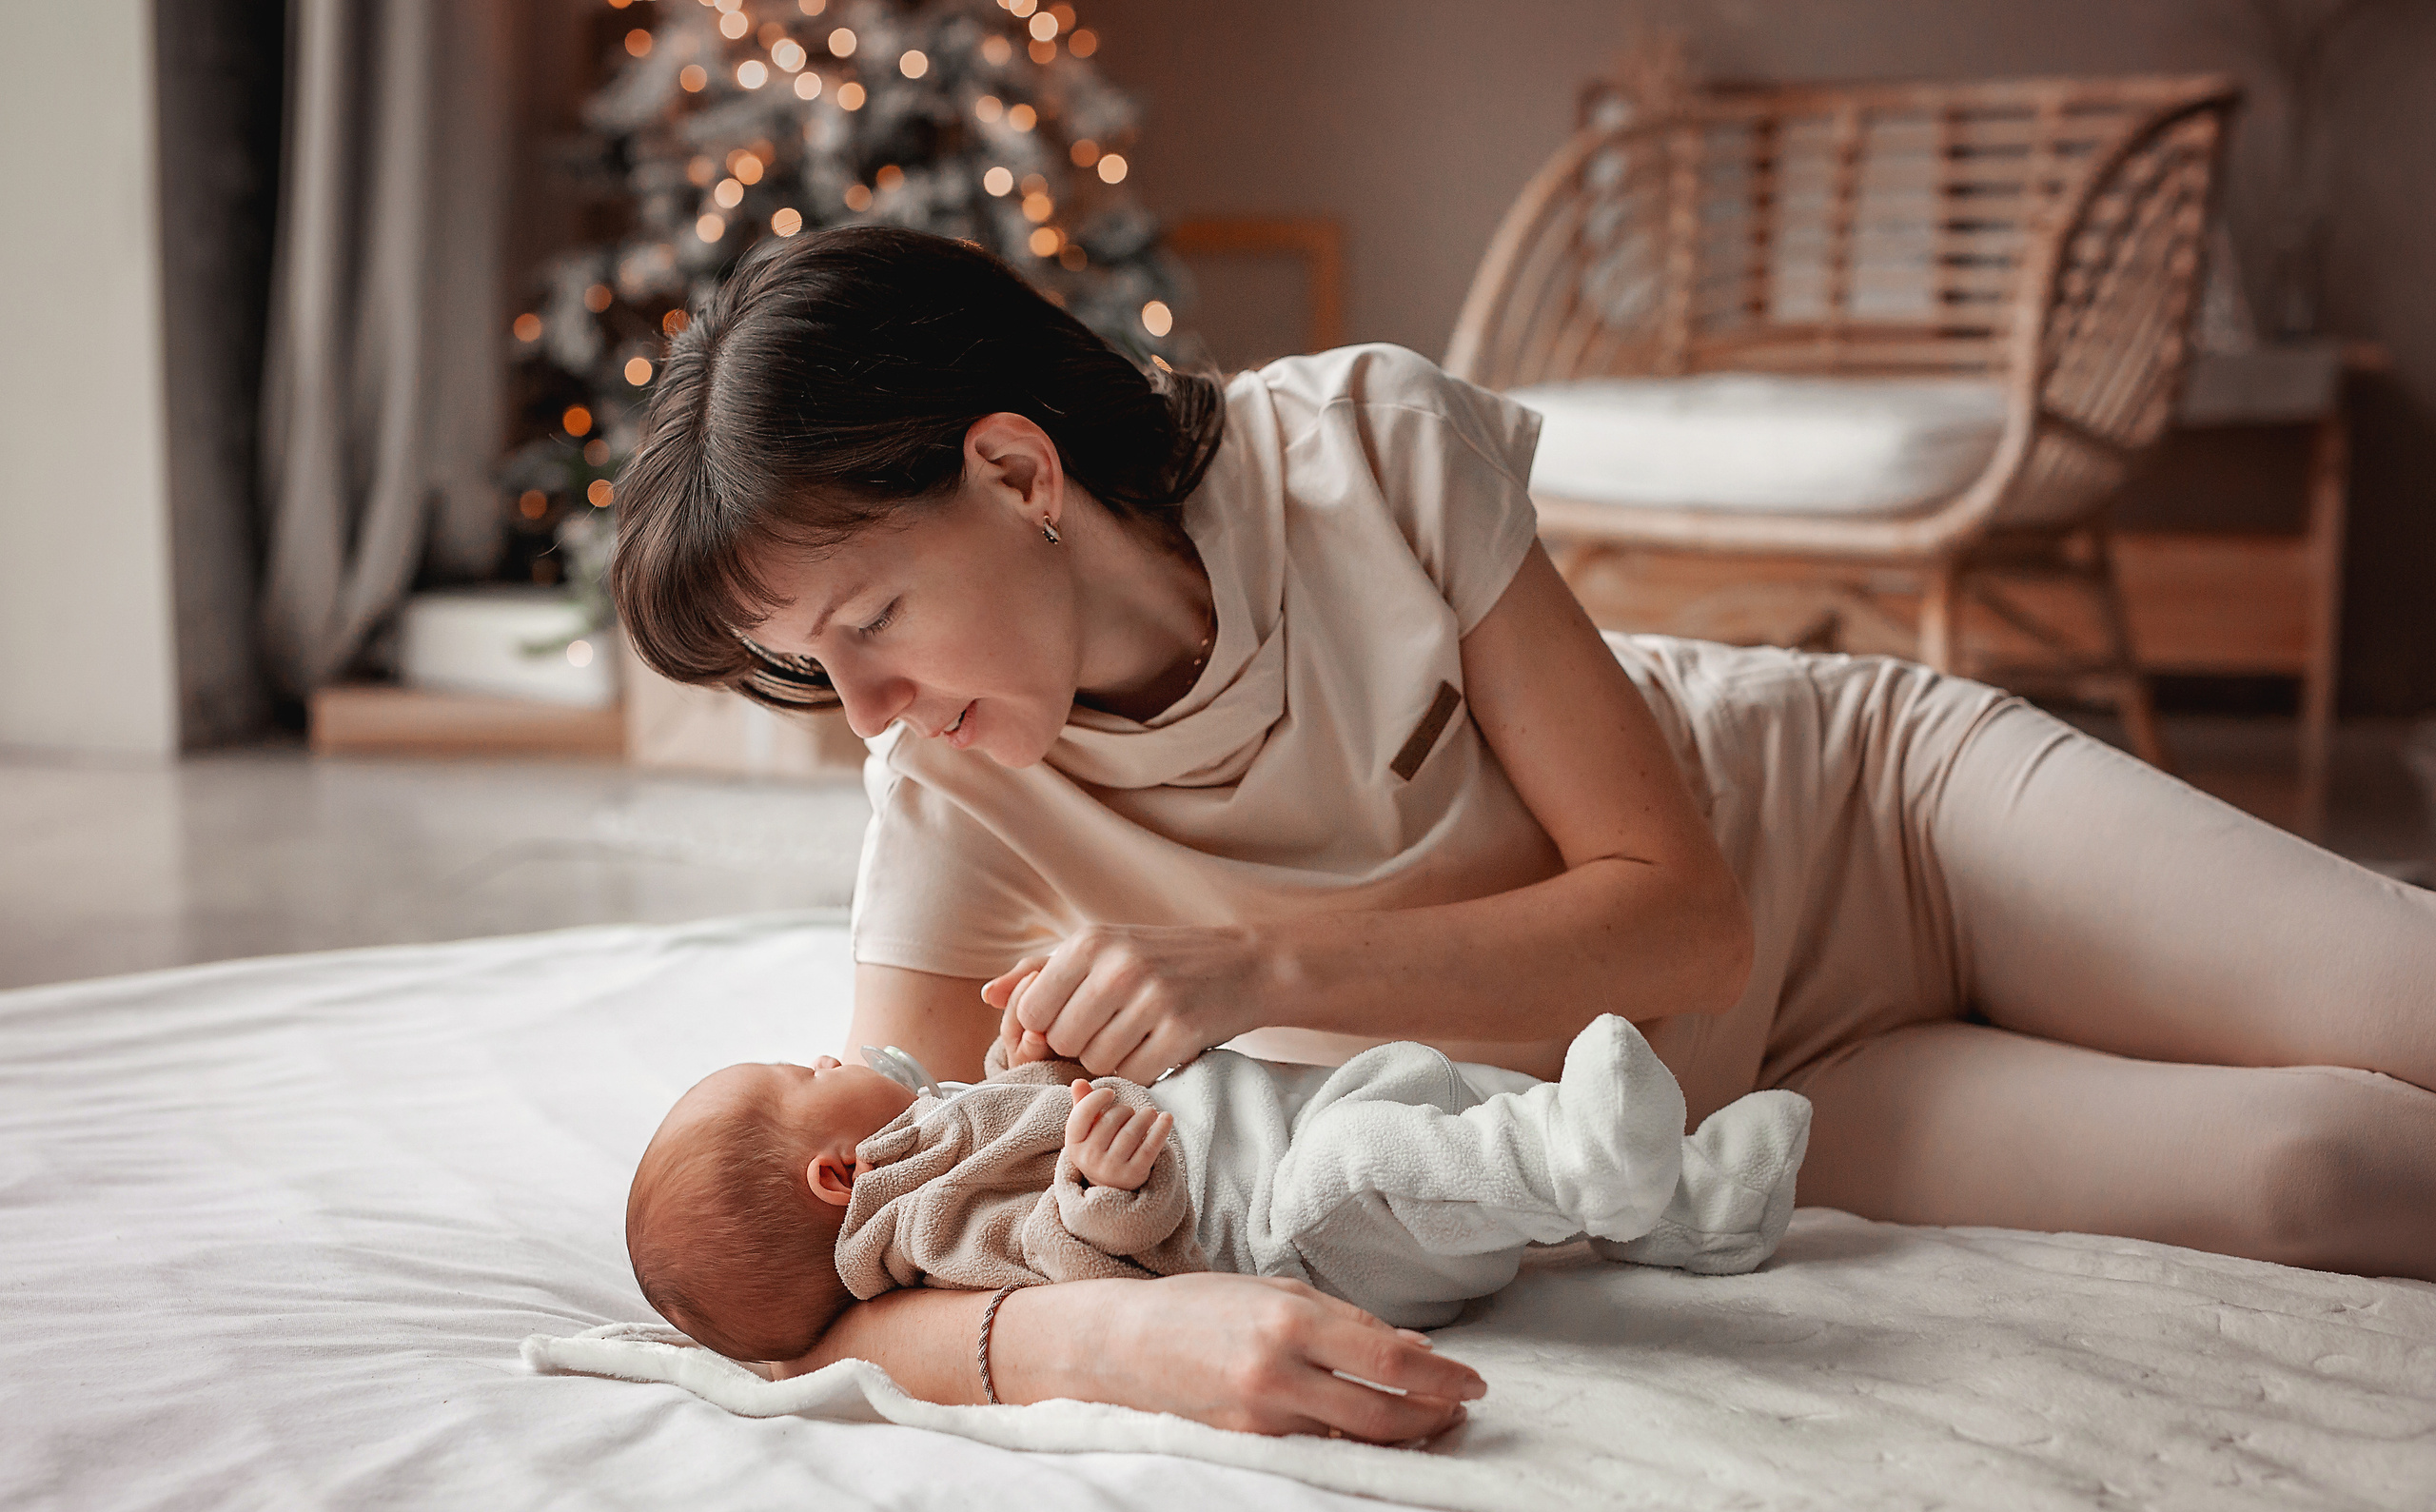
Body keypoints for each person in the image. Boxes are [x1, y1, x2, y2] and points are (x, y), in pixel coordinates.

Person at [610, 226, 2436, 1443]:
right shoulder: (948, 795)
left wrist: (1259, 963)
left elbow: (1685, 920)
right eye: (803, 669)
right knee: (2323, 1173)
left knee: (2408, 995)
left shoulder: (1363, 453)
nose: (859, 709)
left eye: (865, 625)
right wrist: (1113, 1338)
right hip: (1751, 1094)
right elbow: (837, 1288)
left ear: (1015, 475)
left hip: (1882, 820)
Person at [624, 1013, 1811, 1365]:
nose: (830, 1056)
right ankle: (1576, 1164)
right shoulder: (925, 1228)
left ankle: (1699, 1200)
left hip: (1272, 1119)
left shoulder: (934, 1125)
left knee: (1421, 1087)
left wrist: (1039, 1042)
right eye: (801, 1072)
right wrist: (1096, 1192)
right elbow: (1065, 1267)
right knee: (1369, 1163)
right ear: (835, 1175)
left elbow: (1028, 1107)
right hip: (1279, 1234)